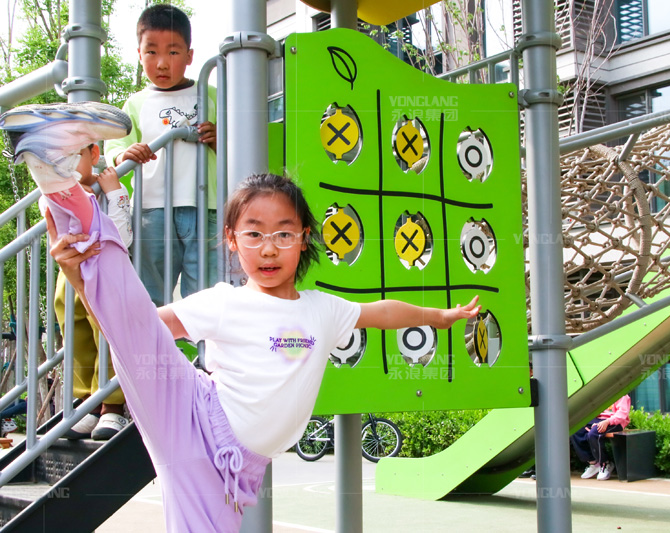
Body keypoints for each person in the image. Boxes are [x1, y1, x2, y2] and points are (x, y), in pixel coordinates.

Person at [2, 101, 481, 532]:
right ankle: (60, 182)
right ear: (232, 240)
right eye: (253, 234)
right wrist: (80, 280)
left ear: (305, 238)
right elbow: (134, 329)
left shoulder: (322, 309)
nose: (268, 248)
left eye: (283, 234)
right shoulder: (224, 301)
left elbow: (378, 312)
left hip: (232, 465)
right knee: (138, 331)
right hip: (194, 414)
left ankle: (56, 177)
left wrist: (434, 314)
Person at [104, 3, 218, 306]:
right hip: (151, 210)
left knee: (205, 292)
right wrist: (124, 155)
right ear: (139, 54)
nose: (162, 63)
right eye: (152, 52)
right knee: (148, 292)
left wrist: (219, 139)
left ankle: (203, 353)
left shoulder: (212, 94)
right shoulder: (136, 103)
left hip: (206, 206)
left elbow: (239, 142)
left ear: (190, 56)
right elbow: (114, 147)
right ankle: (153, 352)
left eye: (173, 52)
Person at [51, 146, 131, 440]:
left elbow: (123, 234)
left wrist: (113, 192)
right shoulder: (55, 190)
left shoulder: (104, 185)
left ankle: (112, 405)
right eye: (57, 158)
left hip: (104, 266)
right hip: (70, 268)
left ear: (94, 154)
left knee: (105, 329)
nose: (65, 164)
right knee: (73, 327)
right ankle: (86, 401)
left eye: (74, 156)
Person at [570, 394, 631, 481]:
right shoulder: (606, 392)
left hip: (614, 422)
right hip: (599, 419)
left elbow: (622, 415)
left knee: (594, 433)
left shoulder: (622, 395)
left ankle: (605, 463)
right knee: (575, 429)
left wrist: (607, 422)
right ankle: (593, 462)